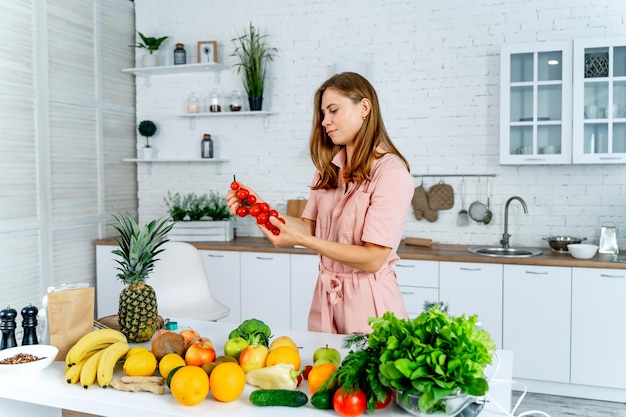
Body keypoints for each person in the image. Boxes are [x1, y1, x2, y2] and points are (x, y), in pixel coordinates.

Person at [226, 72, 414, 334]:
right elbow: (308, 228)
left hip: (371, 304)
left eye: (333, 111)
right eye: (323, 113)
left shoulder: (390, 173)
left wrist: (304, 242)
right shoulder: (327, 171)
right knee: (322, 373)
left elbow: (374, 258)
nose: (325, 121)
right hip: (326, 297)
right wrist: (258, 207)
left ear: (364, 108)